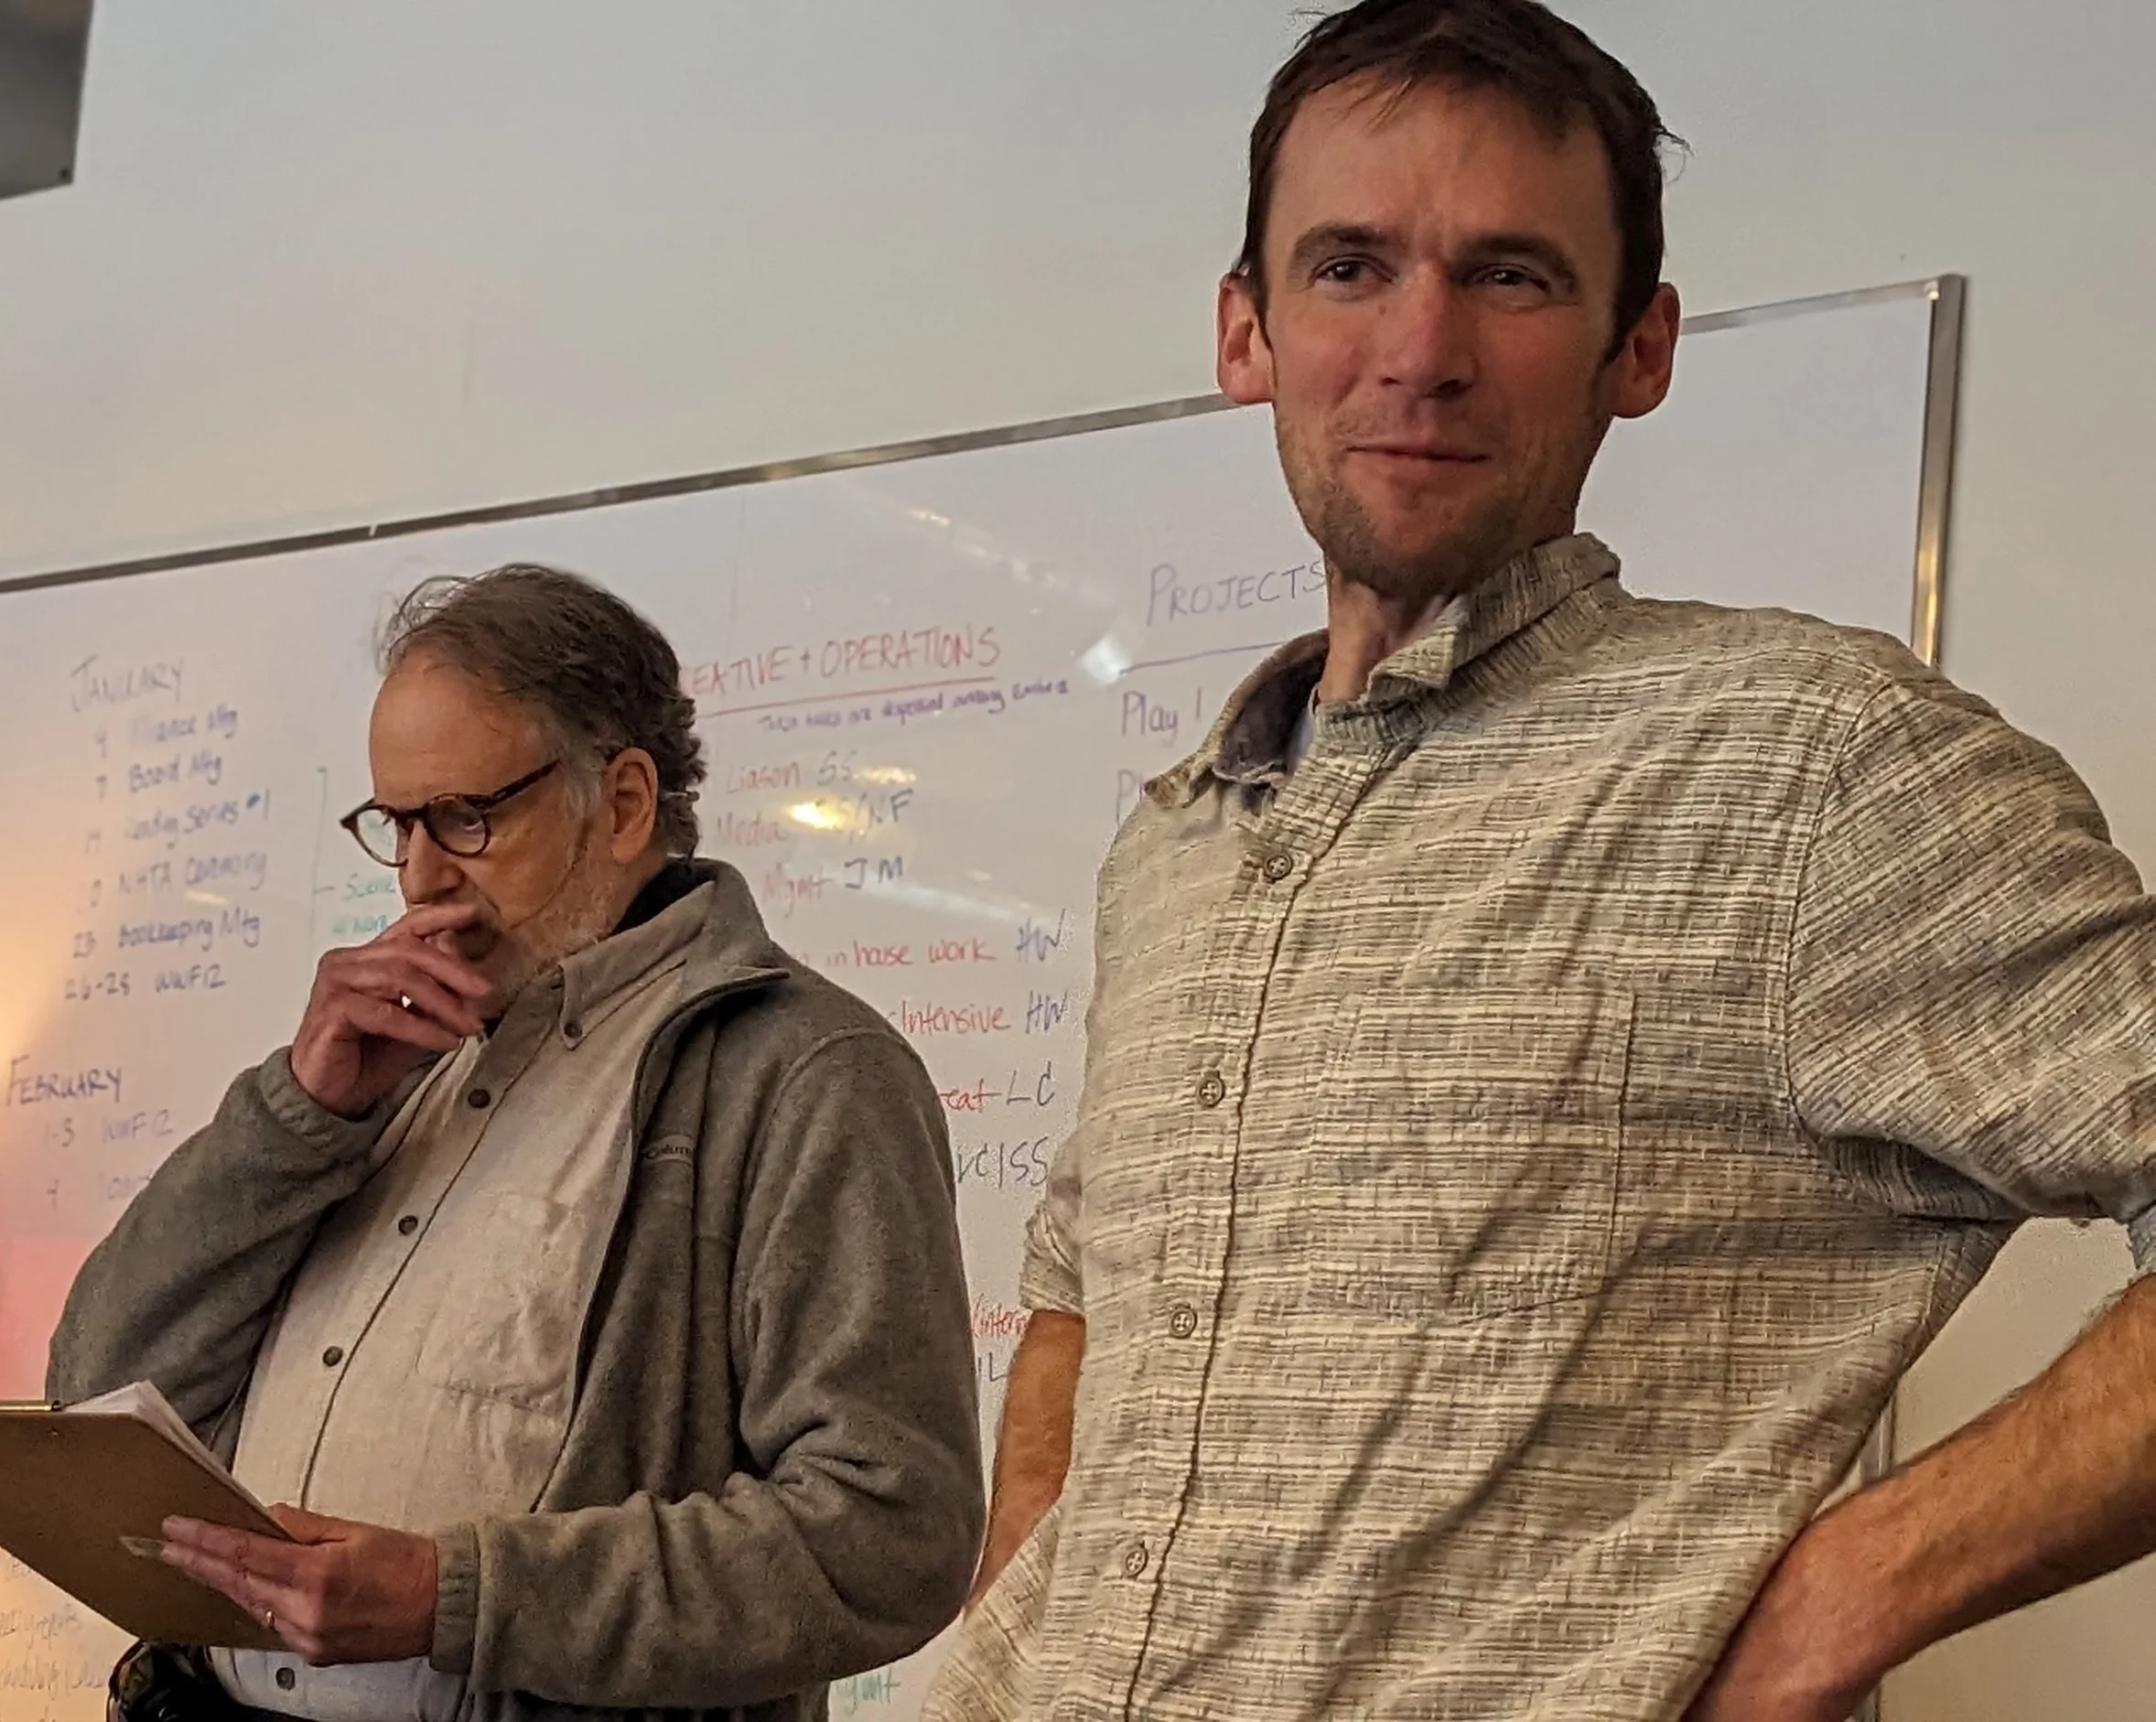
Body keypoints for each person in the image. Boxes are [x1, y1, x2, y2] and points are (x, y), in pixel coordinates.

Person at [923, 4, 2156, 1720]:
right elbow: (1079, 1273)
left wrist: (1846, 1594)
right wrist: (1021, 1591)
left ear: (1638, 347)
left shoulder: (1813, 762)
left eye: (1511, 276)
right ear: (1245, 328)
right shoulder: (1187, 833)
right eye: (1348, 265)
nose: (1419, 346)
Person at [50, 564, 985, 1721]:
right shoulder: (382, 1056)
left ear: (626, 802)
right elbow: (99, 1394)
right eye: (398, 824)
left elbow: (890, 1538)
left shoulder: (803, 1074)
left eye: (469, 818)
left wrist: (462, 1595)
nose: (423, 876)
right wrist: (300, 1113)